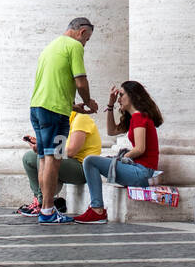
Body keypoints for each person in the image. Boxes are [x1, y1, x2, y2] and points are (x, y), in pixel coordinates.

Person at [29, 17, 100, 224]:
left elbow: (52, 83)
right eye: (87, 39)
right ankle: (48, 211)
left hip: (38, 108)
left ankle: (45, 207)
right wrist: (88, 102)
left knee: (43, 157)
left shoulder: (50, 47)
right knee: (55, 158)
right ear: (82, 31)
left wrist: (72, 106)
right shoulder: (74, 46)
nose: (85, 43)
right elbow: (80, 80)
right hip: (56, 114)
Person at [74, 81, 164, 225]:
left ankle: (97, 210)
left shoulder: (140, 117)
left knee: (90, 161)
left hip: (142, 172)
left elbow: (140, 149)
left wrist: (122, 158)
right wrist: (110, 105)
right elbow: (111, 131)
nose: (118, 99)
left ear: (133, 96)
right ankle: (97, 210)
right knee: (94, 161)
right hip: (138, 170)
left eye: (121, 95)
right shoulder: (134, 118)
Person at [16, 108, 103, 216]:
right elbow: (58, 149)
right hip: (68, 164)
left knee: (45, 157)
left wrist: (44, 149)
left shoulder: (81, 118)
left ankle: (43, 202)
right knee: (29, 157)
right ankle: (38, 199)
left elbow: (71, 151)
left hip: (83, 168)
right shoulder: (63, 122)